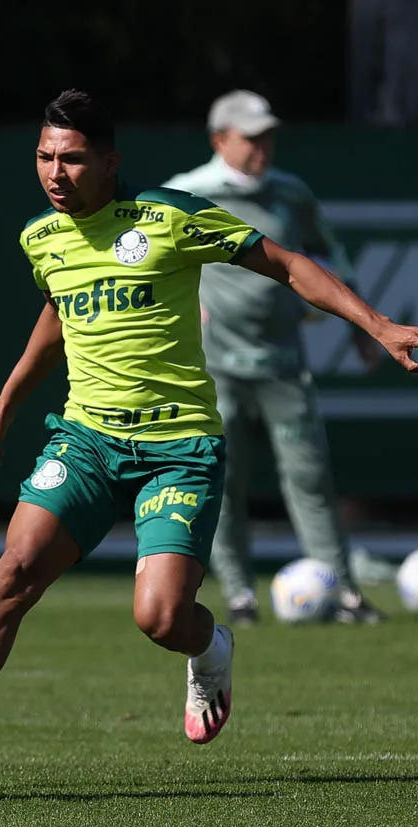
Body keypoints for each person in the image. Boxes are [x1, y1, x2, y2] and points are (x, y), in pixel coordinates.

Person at [0, 89, 418, 790]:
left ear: (111, 161)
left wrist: (378, 325)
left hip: (178, 450)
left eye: (74, 159)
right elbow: (59, 315)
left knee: (158, 617)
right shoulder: (42, 237)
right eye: (44, 157)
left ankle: (211, 651)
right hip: (86, 442)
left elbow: (288, 263)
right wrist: (4, 405)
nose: (56, 172)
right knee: (14, 571)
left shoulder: (170, 216)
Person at [163, 90, 386, 625]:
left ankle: (343, 593)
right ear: (220, 140)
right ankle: (239, 594)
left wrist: (361, 327)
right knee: (224, 483)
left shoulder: (291, 193)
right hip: (213, 371)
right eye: (251, 136)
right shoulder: (185, 196)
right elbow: (152, 268)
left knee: (311, 477)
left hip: (284, 364)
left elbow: (330, 257)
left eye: (268, 135)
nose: (263, 146)